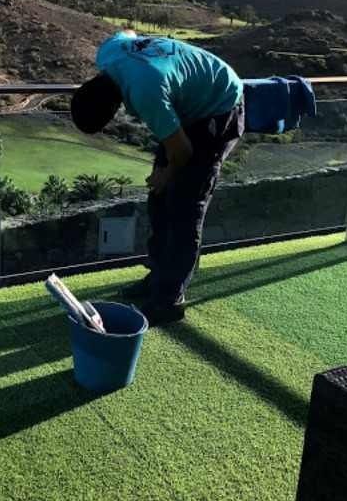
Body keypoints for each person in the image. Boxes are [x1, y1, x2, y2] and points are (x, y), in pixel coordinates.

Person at [71, 29, 244, 325]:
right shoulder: (109, 53)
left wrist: (166, 173)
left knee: (185, 208)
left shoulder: (146, 93)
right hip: (186, 102)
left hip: (220, 104)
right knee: (160, 200)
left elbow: (183, 151)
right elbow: (128, 32)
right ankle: (158, 279)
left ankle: (169, 300)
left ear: (115, 108)